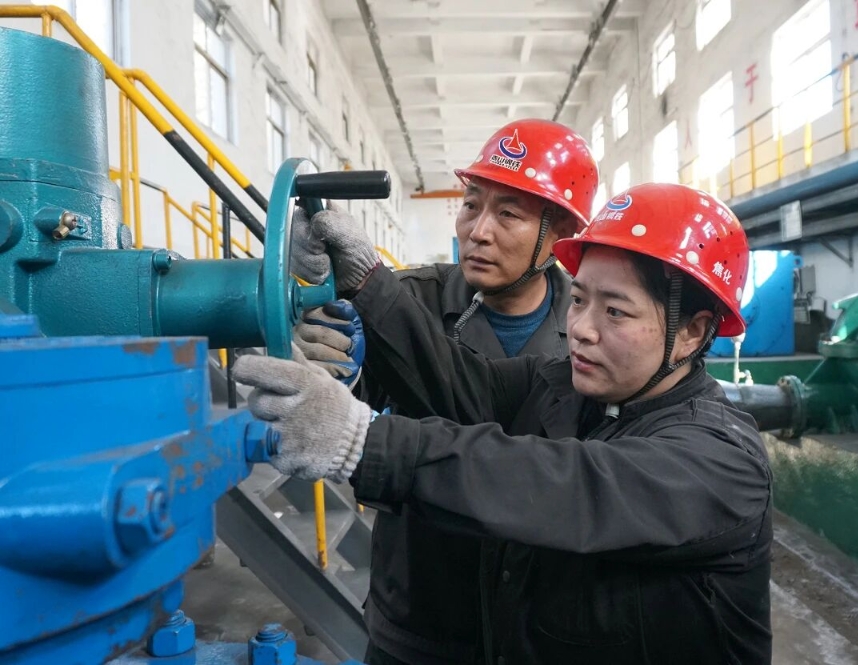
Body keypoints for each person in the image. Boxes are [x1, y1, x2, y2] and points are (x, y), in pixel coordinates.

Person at [236, 183, 773, 664]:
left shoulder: (719, 460)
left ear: (691, 332)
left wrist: (361, 439)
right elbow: (457, 381)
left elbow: (564, 484)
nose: (582, 329)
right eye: (579, 299)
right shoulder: (564, 386)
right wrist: (364, 280)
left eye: (615, 311)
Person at [288, 118, 600, 665]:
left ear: (562, 236)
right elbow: (351, 402)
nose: (478, 231)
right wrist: (325, 357)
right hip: (418, 613)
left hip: (537, 627)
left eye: (508, 214)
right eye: (471, 205)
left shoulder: (591, 330)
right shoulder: (405, 299)